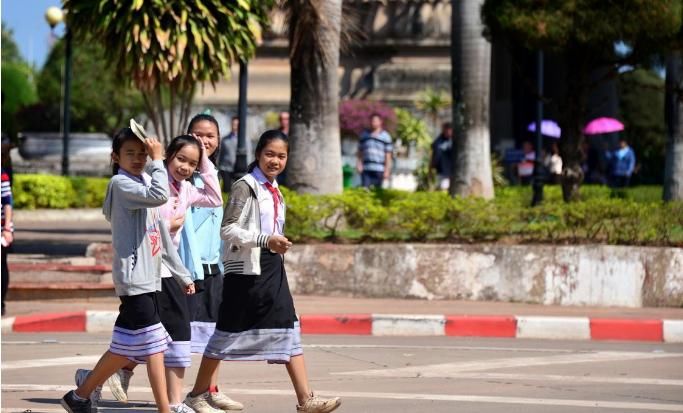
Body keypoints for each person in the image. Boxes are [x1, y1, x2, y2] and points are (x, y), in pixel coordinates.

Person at [184, 130, 342, 413]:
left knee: (289, 325)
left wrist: (275, 243)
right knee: (226, 332)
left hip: (271, 267)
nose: (275, 161)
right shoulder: (246, 186)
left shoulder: (274, 187)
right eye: (270, 154)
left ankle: (306, 399)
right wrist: (265, 240)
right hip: (245, 272)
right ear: (258, 154)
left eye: (281, 156)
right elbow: (228, 229)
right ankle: (197, 394)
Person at [61, 128, 194, 413]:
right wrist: (159, 159)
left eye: (142, 153)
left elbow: (161, 234)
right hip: (134, 279)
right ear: (115, 157)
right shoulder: (122, 184)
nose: (138, 158)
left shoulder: (144, 180)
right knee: (155, 345)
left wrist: (181, 274)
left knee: (123, 348)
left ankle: (79, 395)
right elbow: (160, 195)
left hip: (150, 278)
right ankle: (165, 409)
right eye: (130, 153)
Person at [104, 134, 222, 413]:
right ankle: (170, 404)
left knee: (153, 335)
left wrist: (205, 162)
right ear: (168, 155)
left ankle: (94, 384)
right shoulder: (146, 181)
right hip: (147, 270)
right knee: (154, 336)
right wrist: (156, 162)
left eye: (192, 163)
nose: (185, 167)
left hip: (167, 268)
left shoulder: (185, 189)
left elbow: (215, 197)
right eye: (181, 159)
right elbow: (153, 219)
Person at [182, 114, 244, 411]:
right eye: (198, 134)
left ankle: (209, 390)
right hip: (186, 268)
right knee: (165, 332)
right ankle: (115, 372)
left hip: (212, 266)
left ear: (219, 141)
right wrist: (188, 269)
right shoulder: (182, 174)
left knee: (215, 332)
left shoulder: (214, 173)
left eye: (210, 136)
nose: (204, 141)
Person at [357, 113, 393, 188]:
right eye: (372, 121)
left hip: (379, 169)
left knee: (377, 192)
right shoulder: (364, 135)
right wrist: (359, 164)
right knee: (365, 190)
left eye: (375, 121)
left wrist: (387, 170)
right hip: (366, 168)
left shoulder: (385, 136)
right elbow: (360, 152)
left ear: (380, 122)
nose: (373, 123)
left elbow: (388, 155)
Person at [1, 165, 13, 317]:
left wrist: (7, 228)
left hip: (2, 227)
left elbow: (7, 202)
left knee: (1, 265)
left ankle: (1, 303)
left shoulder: (1, 174)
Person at [218, 117, 239, 193]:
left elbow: (249, 153)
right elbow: (221, 154)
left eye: (236, 124)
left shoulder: (244, 139)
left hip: (238, 168)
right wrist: (219, 167)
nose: (234, 126)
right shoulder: (225, 139)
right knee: (226, 190)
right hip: (226, 168)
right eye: (233, 124)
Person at [430, 122, 453, 190]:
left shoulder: (455, 140)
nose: (446, 132)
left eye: (448, 130)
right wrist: (430, 170)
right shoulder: (438, 141)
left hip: (451, 172)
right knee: (440, 188)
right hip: (440, 171)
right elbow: (432, 155)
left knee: (444, 188)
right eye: (444, 130)